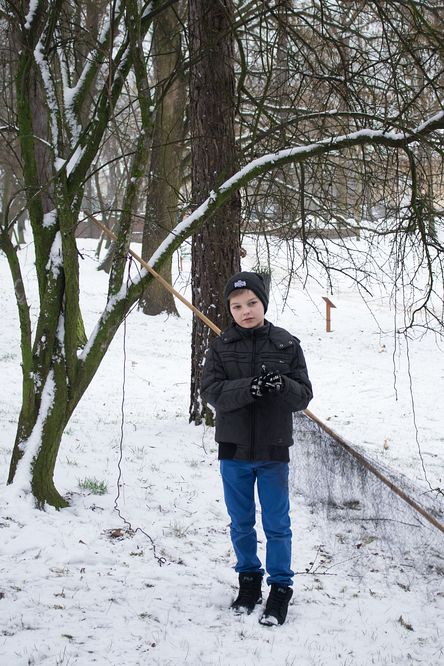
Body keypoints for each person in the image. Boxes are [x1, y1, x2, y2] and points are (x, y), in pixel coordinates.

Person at [202, 271, 313, 626]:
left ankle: (280, 587)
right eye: (237, 306)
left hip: (272, 449)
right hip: (233, 450)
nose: (245, 311)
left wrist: (281, 385)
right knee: (241, 522)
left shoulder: (286, 344)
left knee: (277, 524)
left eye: (251, 303)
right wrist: (250, 387)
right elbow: (212, 391)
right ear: (229, 310)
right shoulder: (220, 347)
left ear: (263, 303)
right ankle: (248, 581)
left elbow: (303, 395)